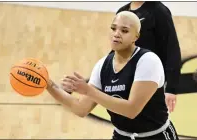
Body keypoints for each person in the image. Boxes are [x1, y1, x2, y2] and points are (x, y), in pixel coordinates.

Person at [46, 11, 179, 140]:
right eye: (113, 28)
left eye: (124, 31)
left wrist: (87, 90)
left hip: (156, 136)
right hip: (122, 135)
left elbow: (131, 110)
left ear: (136, 37)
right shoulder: (102, 65)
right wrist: (48, 84)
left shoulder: (148, 61)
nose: (116, 34)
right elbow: (81, 108)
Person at [112, 1, 181, 113]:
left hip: (150, 80)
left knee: (148, 121)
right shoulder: (122, 11)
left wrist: (171, 89)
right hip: (128, 79)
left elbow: (171, 48)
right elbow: (117, 48)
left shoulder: (158, 10)